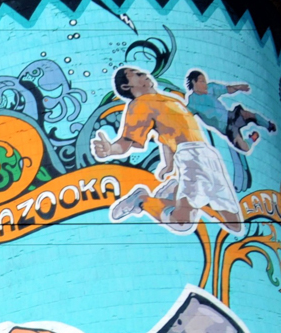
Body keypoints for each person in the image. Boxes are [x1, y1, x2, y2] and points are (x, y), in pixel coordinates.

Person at [93, 65, 246, 235]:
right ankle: (143, 200)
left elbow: (166, 136)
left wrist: (168, 165)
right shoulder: (140, 105)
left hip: (208, 155)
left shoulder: (171, 100)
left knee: (234, 224)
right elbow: (127, 141)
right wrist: (109, 150)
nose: (143, 73)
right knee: (182, 221)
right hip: (191, 156)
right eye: (136, 74)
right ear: (126, 86)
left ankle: (175, 192)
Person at [184, 68, 277, 154]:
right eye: (202, 81)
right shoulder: (192, 103)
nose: (205, 84)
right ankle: (252, 138)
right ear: (194, 82)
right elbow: (184, 115)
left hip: (231, 116)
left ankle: (268, 125)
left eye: (205, 81)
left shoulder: (211, 88)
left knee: (248, 115)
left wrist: (239, 87)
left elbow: (227, 89)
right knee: (245, 148)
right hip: (227, 128)